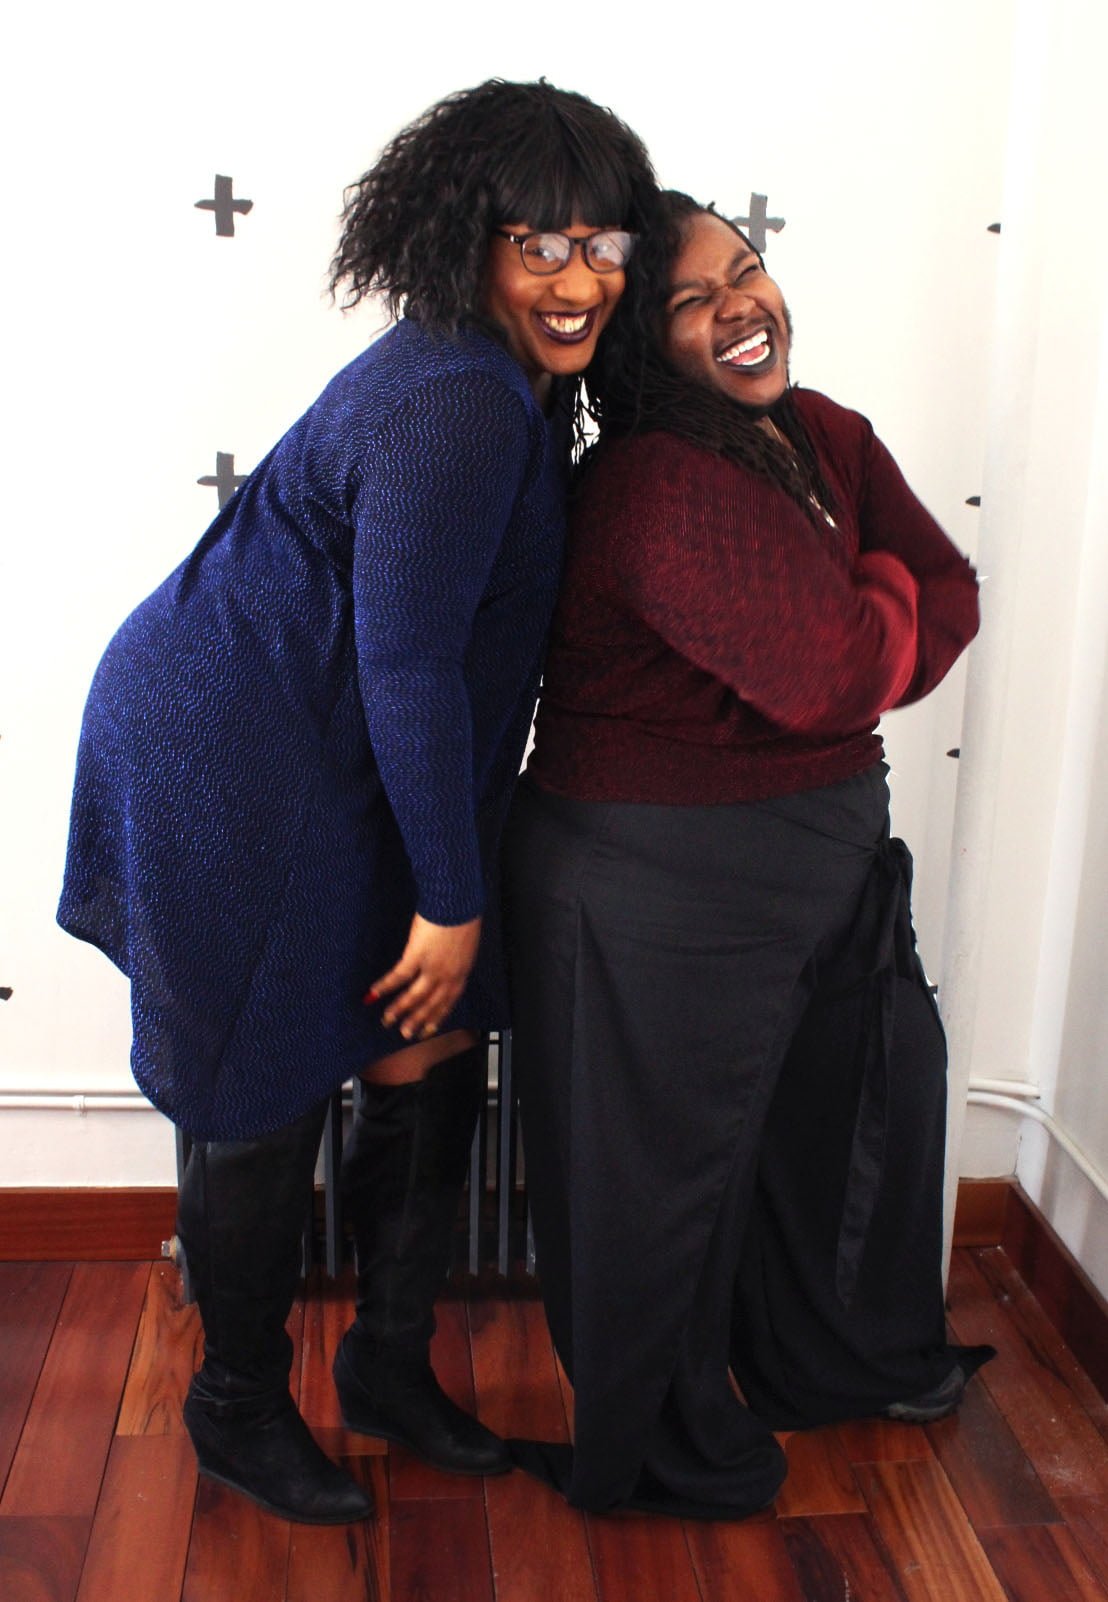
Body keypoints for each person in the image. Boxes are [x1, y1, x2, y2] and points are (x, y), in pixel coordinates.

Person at [56, 80, 657, 1525]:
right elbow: (406, 660)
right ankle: (235, 1405)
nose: (579, 280)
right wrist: (450, 894)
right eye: (540, 244)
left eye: (604, 245)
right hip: (238, 763)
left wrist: (448, 889)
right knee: (258, 1081)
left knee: (427, 1037)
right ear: (467, 239)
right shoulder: (455, 400)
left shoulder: (515, 380)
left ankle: (387, 1365)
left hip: (351, 756)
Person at [503, 193, 993, 1520]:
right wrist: (870, 613)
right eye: (692, 299)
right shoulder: (655, 480)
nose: (741, 306)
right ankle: (662, 1450)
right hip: (656, 883)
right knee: (661, 1187)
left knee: (863, 1107)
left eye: (749, 270)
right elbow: (831, 673)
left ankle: (830, 1362)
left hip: (820, 862)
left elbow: (947, 590)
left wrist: (870, 623)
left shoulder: (828, 435)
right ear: (642, 346)